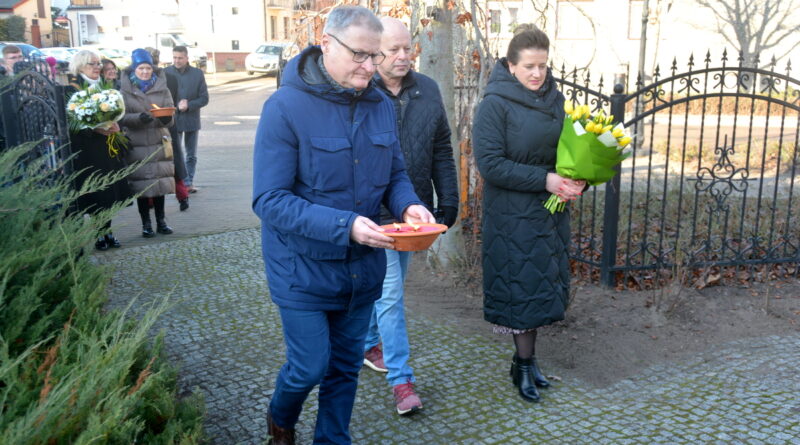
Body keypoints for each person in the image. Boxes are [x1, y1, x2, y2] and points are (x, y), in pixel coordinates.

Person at [252, 6, 434, 444]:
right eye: (360, 55)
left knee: (345, 368)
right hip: (302, 270)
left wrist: (409, 206)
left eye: (375, 57)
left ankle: (332, 439)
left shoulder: (379, 105)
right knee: (309, 366)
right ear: (326, 43)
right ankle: (281, 417)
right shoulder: (284, 107)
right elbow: (269, 200)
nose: (371, 67)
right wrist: (346, 224)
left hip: (361, 268)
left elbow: (394, 175)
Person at [472, 26, 585, 403]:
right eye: (529, 67)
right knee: (522, 288)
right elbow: (490, 165)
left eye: (543, 66)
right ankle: (522, 365)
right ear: (510, 65)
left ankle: (527, 360)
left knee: (539, 286)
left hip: (549, 213)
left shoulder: (555, 98)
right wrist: (546, 179)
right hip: (511, 216)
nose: (537, 74)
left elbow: (567, 149)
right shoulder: (494, 104)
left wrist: (576, 176)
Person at [361, 17, 459, 416]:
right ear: (374, 51)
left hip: (411, 212)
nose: (403, 57)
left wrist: (448, 200)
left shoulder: (428, 90)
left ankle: (369, 344)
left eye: (408, 48)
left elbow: (441, 150)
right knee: (390, 296)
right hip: (371, 213)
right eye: (393, 50)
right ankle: (402, 381)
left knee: (388, 287)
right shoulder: (362, 92)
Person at [66, 49, 132, 250]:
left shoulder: (104, 87)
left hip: (107, 150)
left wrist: (114, 125)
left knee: (108, 193)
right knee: (94, 194)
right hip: (87, 151)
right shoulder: (71, 89)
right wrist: (95, 129)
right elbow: (70, 124)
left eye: (98, 64)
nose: (97, 67)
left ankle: (107, 230)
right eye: (92, 64)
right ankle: (97, 235)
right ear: (80, 66)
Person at [119, 48, 176, 238]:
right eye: (141, 68)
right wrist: (137, 118)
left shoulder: (162, 87)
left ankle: (161, 221)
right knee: (141, 186)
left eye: (148, 68)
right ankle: (146, 224)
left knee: (160, 185)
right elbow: (121, 117)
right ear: (134, 69)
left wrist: (167, 119)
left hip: (158, 140)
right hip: (137, 143)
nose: (145, 72)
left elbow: (169, 112)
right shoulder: (125, 90)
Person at [164, 45, 208, 195]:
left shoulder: (197, 74)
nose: (177, 60)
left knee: (191, 154)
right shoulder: (165, 73)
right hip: (172, 120)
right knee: (176, 154)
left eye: (180, 58)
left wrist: (189, 105)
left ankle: (189, 182)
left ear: (187, 58)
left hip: (191, 119)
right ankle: (179, 183)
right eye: (174, 57)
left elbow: (204, 98)